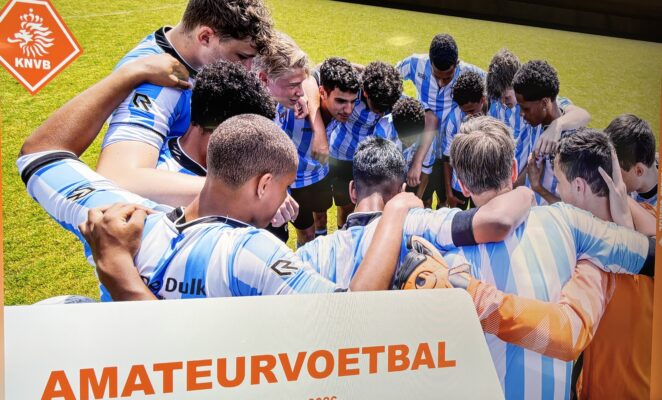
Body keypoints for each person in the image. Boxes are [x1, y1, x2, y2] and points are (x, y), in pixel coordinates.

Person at [18, 55, 418, 300]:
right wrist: (396, 210)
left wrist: (131, 73)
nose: (285, 199)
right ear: (263, 184)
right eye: (283, 188)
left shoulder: (123, 218)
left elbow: (39, 154)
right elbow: (350, 312)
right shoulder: (249, 254)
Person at [441, 116, 654, 399]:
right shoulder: (574, 230)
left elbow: (568, 335)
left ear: (463, 186)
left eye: (560, 182)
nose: (558, 191)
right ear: (513, 168)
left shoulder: (448, 262)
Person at [96, 0, 275, 205]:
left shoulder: (190, 52)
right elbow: (120, 177)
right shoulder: (157, 87)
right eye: (242, 56)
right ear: (205, 37)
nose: (248, 68)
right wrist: (242, 192)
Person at [254, 33, 331, 246]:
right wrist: (273, 191)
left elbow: (310, 79)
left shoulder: (277, 96)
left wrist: (317, 127)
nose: (299, 92)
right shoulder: (251, 116)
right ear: (263, 79)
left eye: (300, 84)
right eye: (293, 85)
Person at [396, 33, 485, 204]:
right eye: (437, 76)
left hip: (449, 153)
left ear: (457, 63)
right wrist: (414, 106)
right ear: (429, 62)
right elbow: (390, 80)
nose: (442, 82)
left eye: (448, 77)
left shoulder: (469, 72)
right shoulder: (415, 63)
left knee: (444, 203)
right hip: (422, 148)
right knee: (424, 201)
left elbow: (498, 87)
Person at [326, 61, 403, 227]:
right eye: (377, 106)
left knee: (361, 207)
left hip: (363, 161)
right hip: (339, 155)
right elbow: (324, 69)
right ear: (366, 92)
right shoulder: (352, 90)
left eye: (385, 108)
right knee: (342, 207)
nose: (380, 111)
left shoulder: (388, 96)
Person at [512, 60, 591, 204]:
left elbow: (574, 210)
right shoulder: (539, 118)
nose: (521, 114)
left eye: (526, 108)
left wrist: (538, 188)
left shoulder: (571, 144)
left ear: (544, 103)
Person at [441, 70, 487, 209]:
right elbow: (447, 157)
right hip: (458, 186)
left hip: (485, 187)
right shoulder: (453, 119)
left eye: (472, 110)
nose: (468, 115)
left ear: (482, 100)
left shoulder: (496, 115)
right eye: (464, 111)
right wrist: (449, 193)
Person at [374, 97, 435, 199]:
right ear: (396, 128)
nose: (410, 143)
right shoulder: (383, 130)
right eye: (405, 139)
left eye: (414, 138)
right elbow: (377, 174)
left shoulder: (427, 136)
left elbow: (425, 173)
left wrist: (417, 200)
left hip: (410, 181)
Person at [605, 114, 658, 208]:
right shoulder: (642, 159)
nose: (610, 176)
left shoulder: (655, 210)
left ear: (639, 171)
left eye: (615, 171)